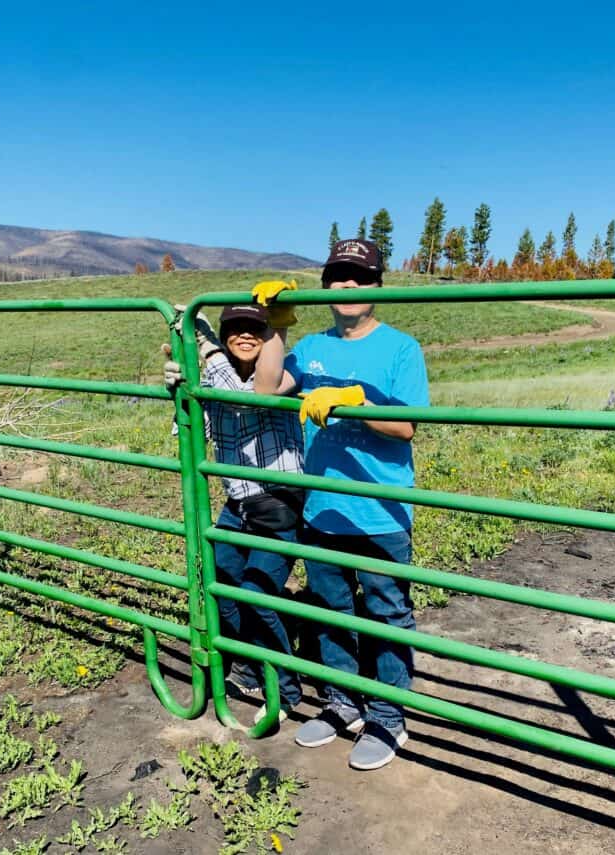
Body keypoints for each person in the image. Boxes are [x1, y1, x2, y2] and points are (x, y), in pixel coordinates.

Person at [253, 239, 429, 771]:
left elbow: (406, 427)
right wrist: (276, 327)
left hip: (381, 509)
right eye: (338, 276)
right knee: (331, 611)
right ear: (326, 286)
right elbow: (265, 391)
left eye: (360, 277)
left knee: (385, 613)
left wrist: (356, 403)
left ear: (378, 286)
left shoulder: (401, 349)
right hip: (322, 507)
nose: (348, 286)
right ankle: (342, 703)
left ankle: (388, 717)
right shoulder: (307, 348)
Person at [164, 300, 305, 720]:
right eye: (233, 328)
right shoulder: (216, 376)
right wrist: (182, 384)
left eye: (255, 328)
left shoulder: (282, 372)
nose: (244, 335)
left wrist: (206, 349)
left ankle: (286, 691)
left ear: (267, 336)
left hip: (278, 502)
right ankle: (248, 665)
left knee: (256, 594)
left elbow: (248, 401)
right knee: (219, 583)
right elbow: (191, 429)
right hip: (237, 503)